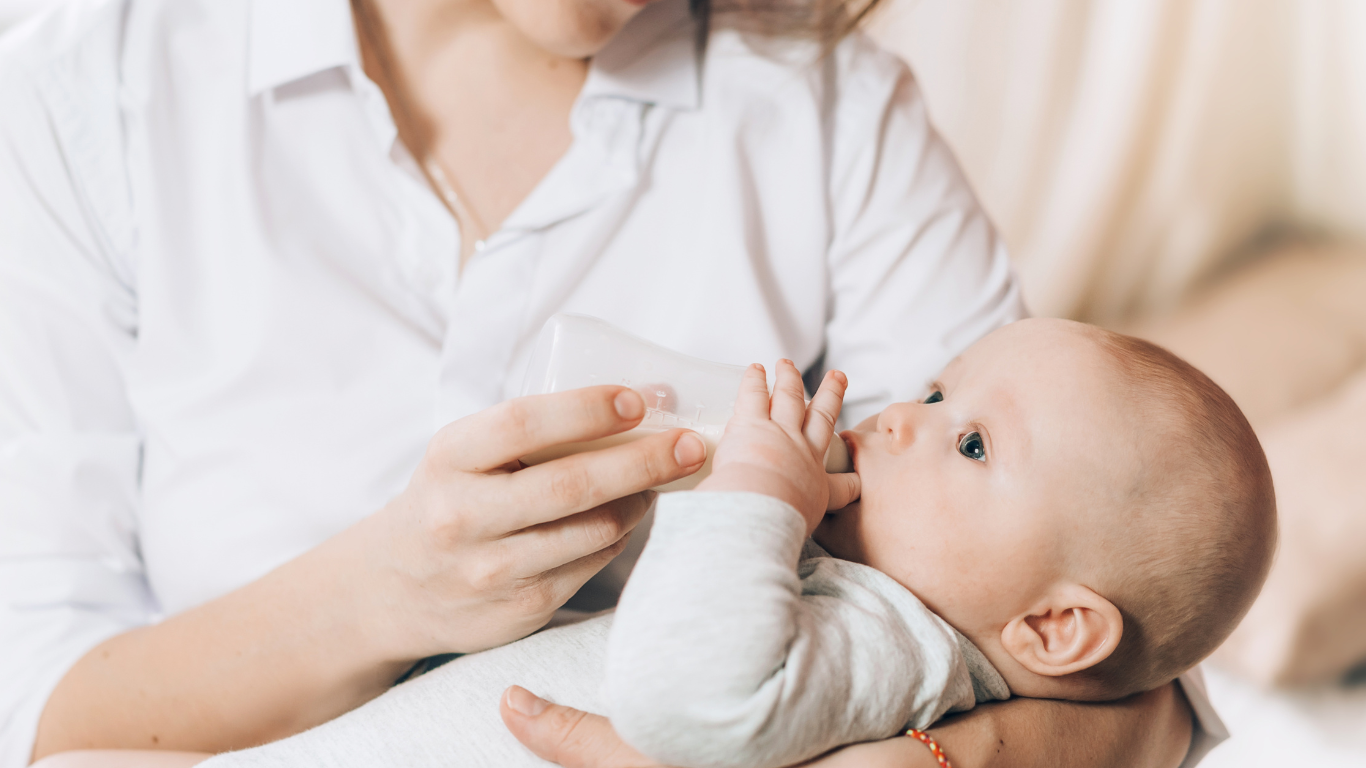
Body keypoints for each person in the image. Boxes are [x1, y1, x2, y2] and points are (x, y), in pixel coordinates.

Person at [0, 0, 1205, 767]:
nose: (903, 420)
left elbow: (1126, 640)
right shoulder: (81, 95)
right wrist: (385, 594)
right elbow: (45, 720)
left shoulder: (822, 105)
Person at [191, 319, 1270, 768]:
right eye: (939, 387)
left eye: (972, 442)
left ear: (1049, 624)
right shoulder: (866, 588)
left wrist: (759, 488)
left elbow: (691, 702)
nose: (900, 417)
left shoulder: (899, 648)